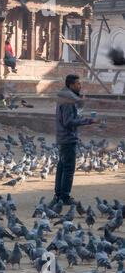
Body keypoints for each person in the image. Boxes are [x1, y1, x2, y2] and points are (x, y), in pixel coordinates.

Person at [53, 75, 97, 205]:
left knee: (62, 167)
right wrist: (86, 121)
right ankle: (65, 197)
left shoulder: (65, 96)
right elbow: (68, 121)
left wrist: (78, 116)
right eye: (78, 84)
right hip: (67, 138)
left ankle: (58, 195)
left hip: (62, 137)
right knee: (68, 169)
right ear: (71, 85)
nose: (80, 86)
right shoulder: (68, 99)